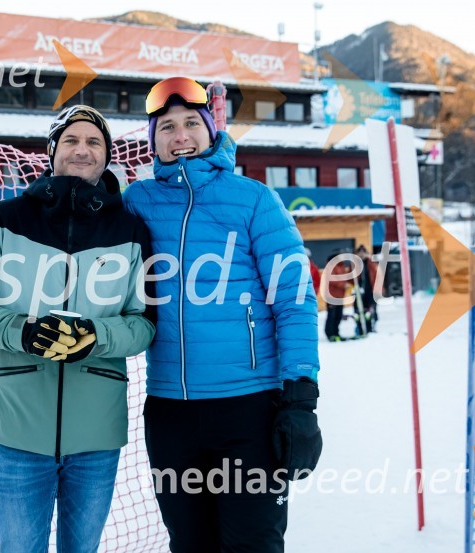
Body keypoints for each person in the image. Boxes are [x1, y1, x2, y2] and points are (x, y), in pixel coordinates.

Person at [122, 77, 322, 553]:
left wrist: (300, 401)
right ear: (153, 140)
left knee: (252, 544)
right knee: (190, 545)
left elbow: (294, 301)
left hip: (248, 410)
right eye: (166, 127)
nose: (180, 136)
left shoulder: (253, 199)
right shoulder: (137, 202)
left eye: (191, 122)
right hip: (170, 413)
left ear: (211, 130)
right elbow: (78, 224)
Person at [0, 105, 156, 553]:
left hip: (96, 436)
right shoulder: (1, 220)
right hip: (19, 430)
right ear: (51, 151)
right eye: (72, 140)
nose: (82, 150)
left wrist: (96, 338)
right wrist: (23, 331)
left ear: (106, 156)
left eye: (94, 142)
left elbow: (143, 325)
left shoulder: (132, 231)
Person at [322, 253, 351, 342]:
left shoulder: (342, 266)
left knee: (338, 315)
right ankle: (330, 333)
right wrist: (343, 285)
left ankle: (336, 332)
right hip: (331, 295)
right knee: (332, 315)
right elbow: (331, 280)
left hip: (340, 296)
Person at [354, 244, 379, 334]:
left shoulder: (371, 263)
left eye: (363, 253)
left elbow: (377, 276)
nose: (361, 255)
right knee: (359, 311)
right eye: (359, 253)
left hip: (370, 291)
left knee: (371, 310)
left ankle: (371, 327)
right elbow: (351, 279)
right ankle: (360, 328)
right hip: (359, 291)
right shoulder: (355, 264)